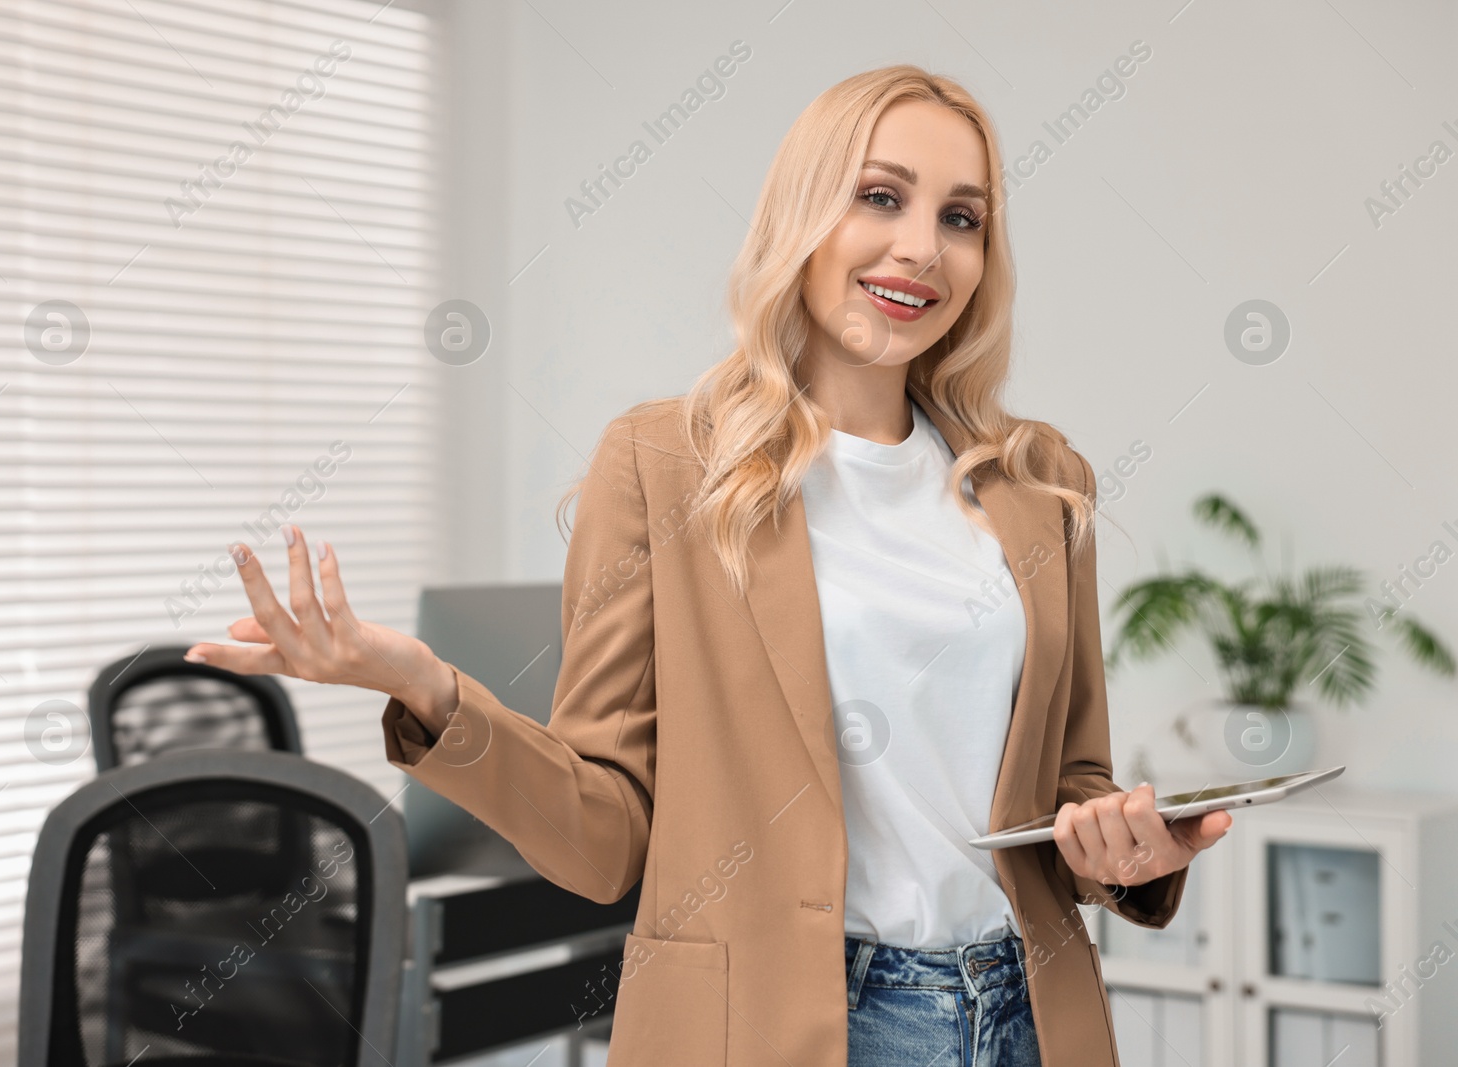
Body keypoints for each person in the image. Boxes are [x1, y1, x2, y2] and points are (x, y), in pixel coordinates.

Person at [185, 63, 1230, 1067]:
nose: (921, 249)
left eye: (961, 217)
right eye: (880, 197)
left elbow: (1070, 780)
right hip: (798, 1023)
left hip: (1025, 1013)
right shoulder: (663, 464)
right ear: (801, 216)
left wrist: (1120, 845)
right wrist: (422, 687)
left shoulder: (1037, 480)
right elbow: (603, 836)